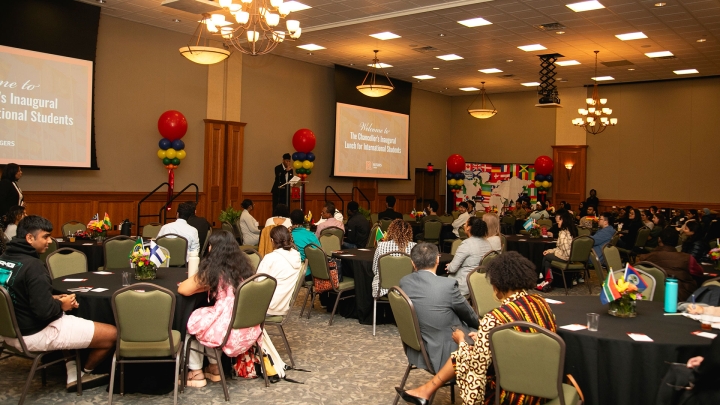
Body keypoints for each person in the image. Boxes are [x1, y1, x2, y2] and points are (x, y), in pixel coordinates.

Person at [397, 251, 557, 405]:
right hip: (546, 384)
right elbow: (522, 339)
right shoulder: (541, 303)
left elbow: (477, 366)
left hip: (511, 393)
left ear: (497, 284)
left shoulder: (495, 318)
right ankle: (424, 392)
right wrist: (483, 336)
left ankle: (424, 392)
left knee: (461, 355)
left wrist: (461, 341)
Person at [0, 216, 116, 389]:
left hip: (7, 333)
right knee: (113, 334)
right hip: (31, 334)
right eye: (45, 237)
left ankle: (70, 363)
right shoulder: (34, 267)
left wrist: (54, 298)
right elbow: (45, 312)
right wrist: (63, 305)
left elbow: (17, 295)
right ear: (30, 238)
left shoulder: (4, 258)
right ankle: (83, 373)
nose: (49, 241)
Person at [179, 231, 260, 387]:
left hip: (226, 328)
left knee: (191, 323)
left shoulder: (214, 270)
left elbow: (183, 289)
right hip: (246, 327)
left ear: (212, 249)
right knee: (207, 323)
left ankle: (196, 373)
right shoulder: (242, 267)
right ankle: (215, 368)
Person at [398, 243, 479, 373]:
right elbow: (469, 315)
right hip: (445, 351)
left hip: (417, 349)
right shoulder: (447, 285)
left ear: (412, 263)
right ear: (437, 260)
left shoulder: (404, 282)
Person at [637, 228, 701, 301]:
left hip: (648, 296)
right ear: (677, 242)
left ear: (659, 240)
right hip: (677, 298)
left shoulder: (643, 258)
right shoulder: (687, 258)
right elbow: (699, 273)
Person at [256, 226, 302, 316]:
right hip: (283, 306)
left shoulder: (270, 258)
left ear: (272, 241)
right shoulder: (297, 256)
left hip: (267, 306)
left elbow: (258, 283)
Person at [446, 217, 492, 296]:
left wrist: (449, 266)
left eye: (465, 224)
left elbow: (453, 269)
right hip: (482, 283)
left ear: (469, 228)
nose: (464, 226)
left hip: (465, 284)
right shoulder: (487, 243)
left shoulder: (467, 244)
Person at [371, 219, 416, 298]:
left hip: (383, 288)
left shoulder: (381, 246)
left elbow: (375, 270)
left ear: (391, 231)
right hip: (407, 289)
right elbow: (417, 270)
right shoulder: (414, 247)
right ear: (409, 233)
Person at [538, 210, 578, 291]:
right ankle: (547, 281)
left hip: (567, 257)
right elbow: (561, 248)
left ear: (563, 220)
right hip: (568, 256)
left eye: (559, 221)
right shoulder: (570, 230)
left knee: (546, 257)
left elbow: (566, 252)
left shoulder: (563, 233)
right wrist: (550, 250)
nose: (557, 223)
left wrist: (554, 252)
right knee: (547, 260)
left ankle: (542, 277)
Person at [289, 209, 320, 281]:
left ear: (291, 221)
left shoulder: (285, 235)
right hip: (305, 273)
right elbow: (319, 254)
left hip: (289, 273)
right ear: (304, 221)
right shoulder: (310, 235)